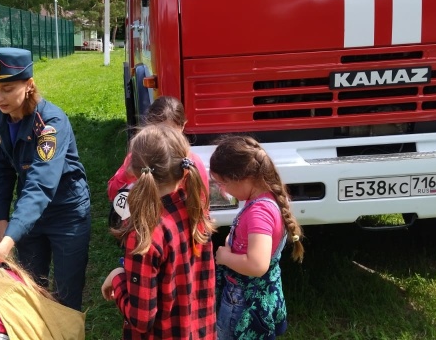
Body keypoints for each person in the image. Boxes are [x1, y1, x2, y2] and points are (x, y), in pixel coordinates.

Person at [0, 47, 91, 311]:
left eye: (7, 89)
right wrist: (2, 222)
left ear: (29, 85)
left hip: (67, 213)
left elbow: (41, 184)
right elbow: (2, 170)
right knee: (31, 288)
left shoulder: (51, 123)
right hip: (29, 217)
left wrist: (8, 241)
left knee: (66, 296)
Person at [101, 125, 216, 339]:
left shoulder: (144, 235)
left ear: (134, 171)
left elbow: (141, 319)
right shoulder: (195, 210)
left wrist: (117, 278)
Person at [208, 135, 305, 339]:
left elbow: (257, 264)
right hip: (265, 295)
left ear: (242, 178)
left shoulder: (258, 212)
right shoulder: (270, 197)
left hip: (244, 302)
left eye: (223, 183)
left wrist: (224, 257)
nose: (223, 190)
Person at [107, 96, 209, 228]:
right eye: (159, 131)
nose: (164, 138)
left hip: (178, 230)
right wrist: (126, 175)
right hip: (141, 229)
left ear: (183, 126)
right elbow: (113, 194)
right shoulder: (137, 157)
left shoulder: (190, 162)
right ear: (148, 126)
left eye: (170, 132)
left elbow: (202, 207)